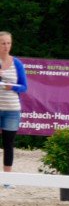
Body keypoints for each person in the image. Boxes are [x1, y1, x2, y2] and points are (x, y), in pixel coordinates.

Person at [0, 31, 28, 187]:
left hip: (12, 109)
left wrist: (13, 87)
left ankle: (7, 180)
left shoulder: (17, 63)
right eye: (3, 43)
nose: (6, 46)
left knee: (8, 144)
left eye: (8, 43)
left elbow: (24, 87)